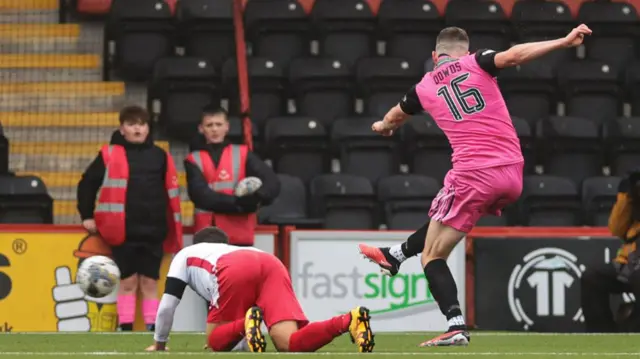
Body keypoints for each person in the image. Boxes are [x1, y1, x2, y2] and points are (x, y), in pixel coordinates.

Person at [358, 24, 593, 346]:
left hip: (473, 174)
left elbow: (395, 116)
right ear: (465, 52)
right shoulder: (477, 62)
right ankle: (395, 254)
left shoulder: (423, 87)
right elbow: (514, 55)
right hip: (512, 174)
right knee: (443, 222)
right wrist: (563, 42)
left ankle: (455, 325)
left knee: (433, 256)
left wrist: (382, 125)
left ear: (433, 56)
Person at [146, 227, 375, 353]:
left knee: (215, 341)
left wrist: (160, 343)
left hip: (233, 268)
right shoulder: (229, 248)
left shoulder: (186, 254)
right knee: (289, 343)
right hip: (268, 261)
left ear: (197, 242)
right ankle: (349, 320)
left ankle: (244, 324)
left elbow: (167, 305)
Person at [77, 105, 183, 332]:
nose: (137, 128)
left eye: (142, 124)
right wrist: (86, 215)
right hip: (122, 232)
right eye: (132, 124)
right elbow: (87, 184)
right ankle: (125, 329)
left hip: (154, 230)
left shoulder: (160, 156)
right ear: (122, 128)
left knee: (150, 283)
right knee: (127, 282)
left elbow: (171, 193)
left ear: (148, 128)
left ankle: (155, 330)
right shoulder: (109, 154)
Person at [184, 105, 280, 246]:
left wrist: (257, 197)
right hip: (209, 235)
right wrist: (241, 204)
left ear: (227, 127)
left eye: (219, 124)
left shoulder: (243, 153)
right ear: (201, 128)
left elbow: (272, 182)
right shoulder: (193, 159)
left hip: (239, 234)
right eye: (209, 125)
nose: (214, 129)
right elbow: (201, 196)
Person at [581, 172, 640, 332]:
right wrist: (626, 196)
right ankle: (602, 337)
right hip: (632, 261)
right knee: (592, 277)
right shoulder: (634, 201)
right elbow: (616, 229)